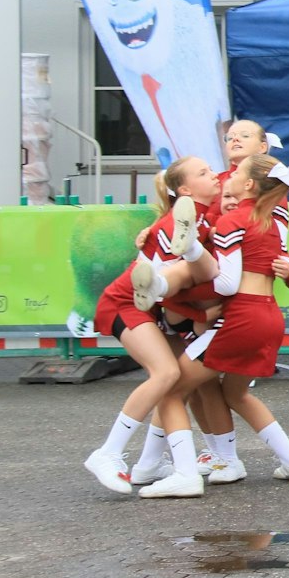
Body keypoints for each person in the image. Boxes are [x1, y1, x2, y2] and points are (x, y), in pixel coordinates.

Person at [140, 155, 289, 498]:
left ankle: (195, 467)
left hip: (240, 318)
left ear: (248, 184)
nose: (226, 176)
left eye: (235, 172)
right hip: (269, 316)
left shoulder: (234, 221)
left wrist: (182, 293)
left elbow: (228, 284)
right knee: (235, 393)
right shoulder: (276, 216)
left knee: (172, 389)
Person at [81, 160, 216, 494]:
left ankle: (150, 463)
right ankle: (108, 453)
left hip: (154, 308)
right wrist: (199, 314)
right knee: (166, 374)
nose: (213, 175)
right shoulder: (177, 223)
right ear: (184, 190)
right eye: (203, 173)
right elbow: (177, 289)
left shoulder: (201, 216)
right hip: (125, 303)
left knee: (175, 383)